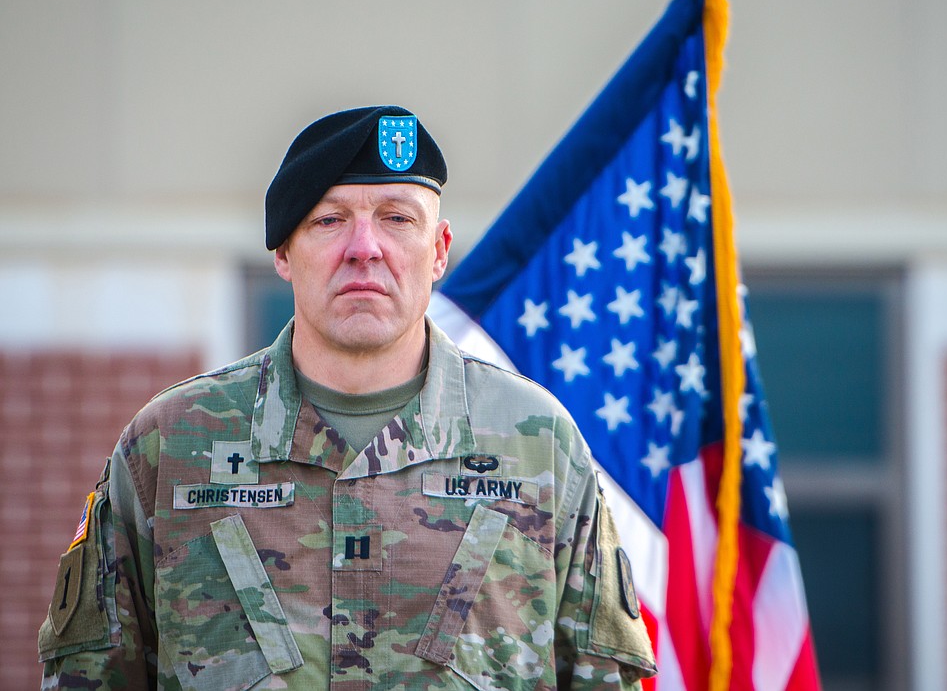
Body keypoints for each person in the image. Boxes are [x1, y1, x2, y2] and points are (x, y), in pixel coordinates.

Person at [39, 106, 657, 690]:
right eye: (329, 220)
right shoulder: (171, 444)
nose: (365, 247)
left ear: (438, 250)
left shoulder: (537, 443)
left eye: (397, 218)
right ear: (283, 251)